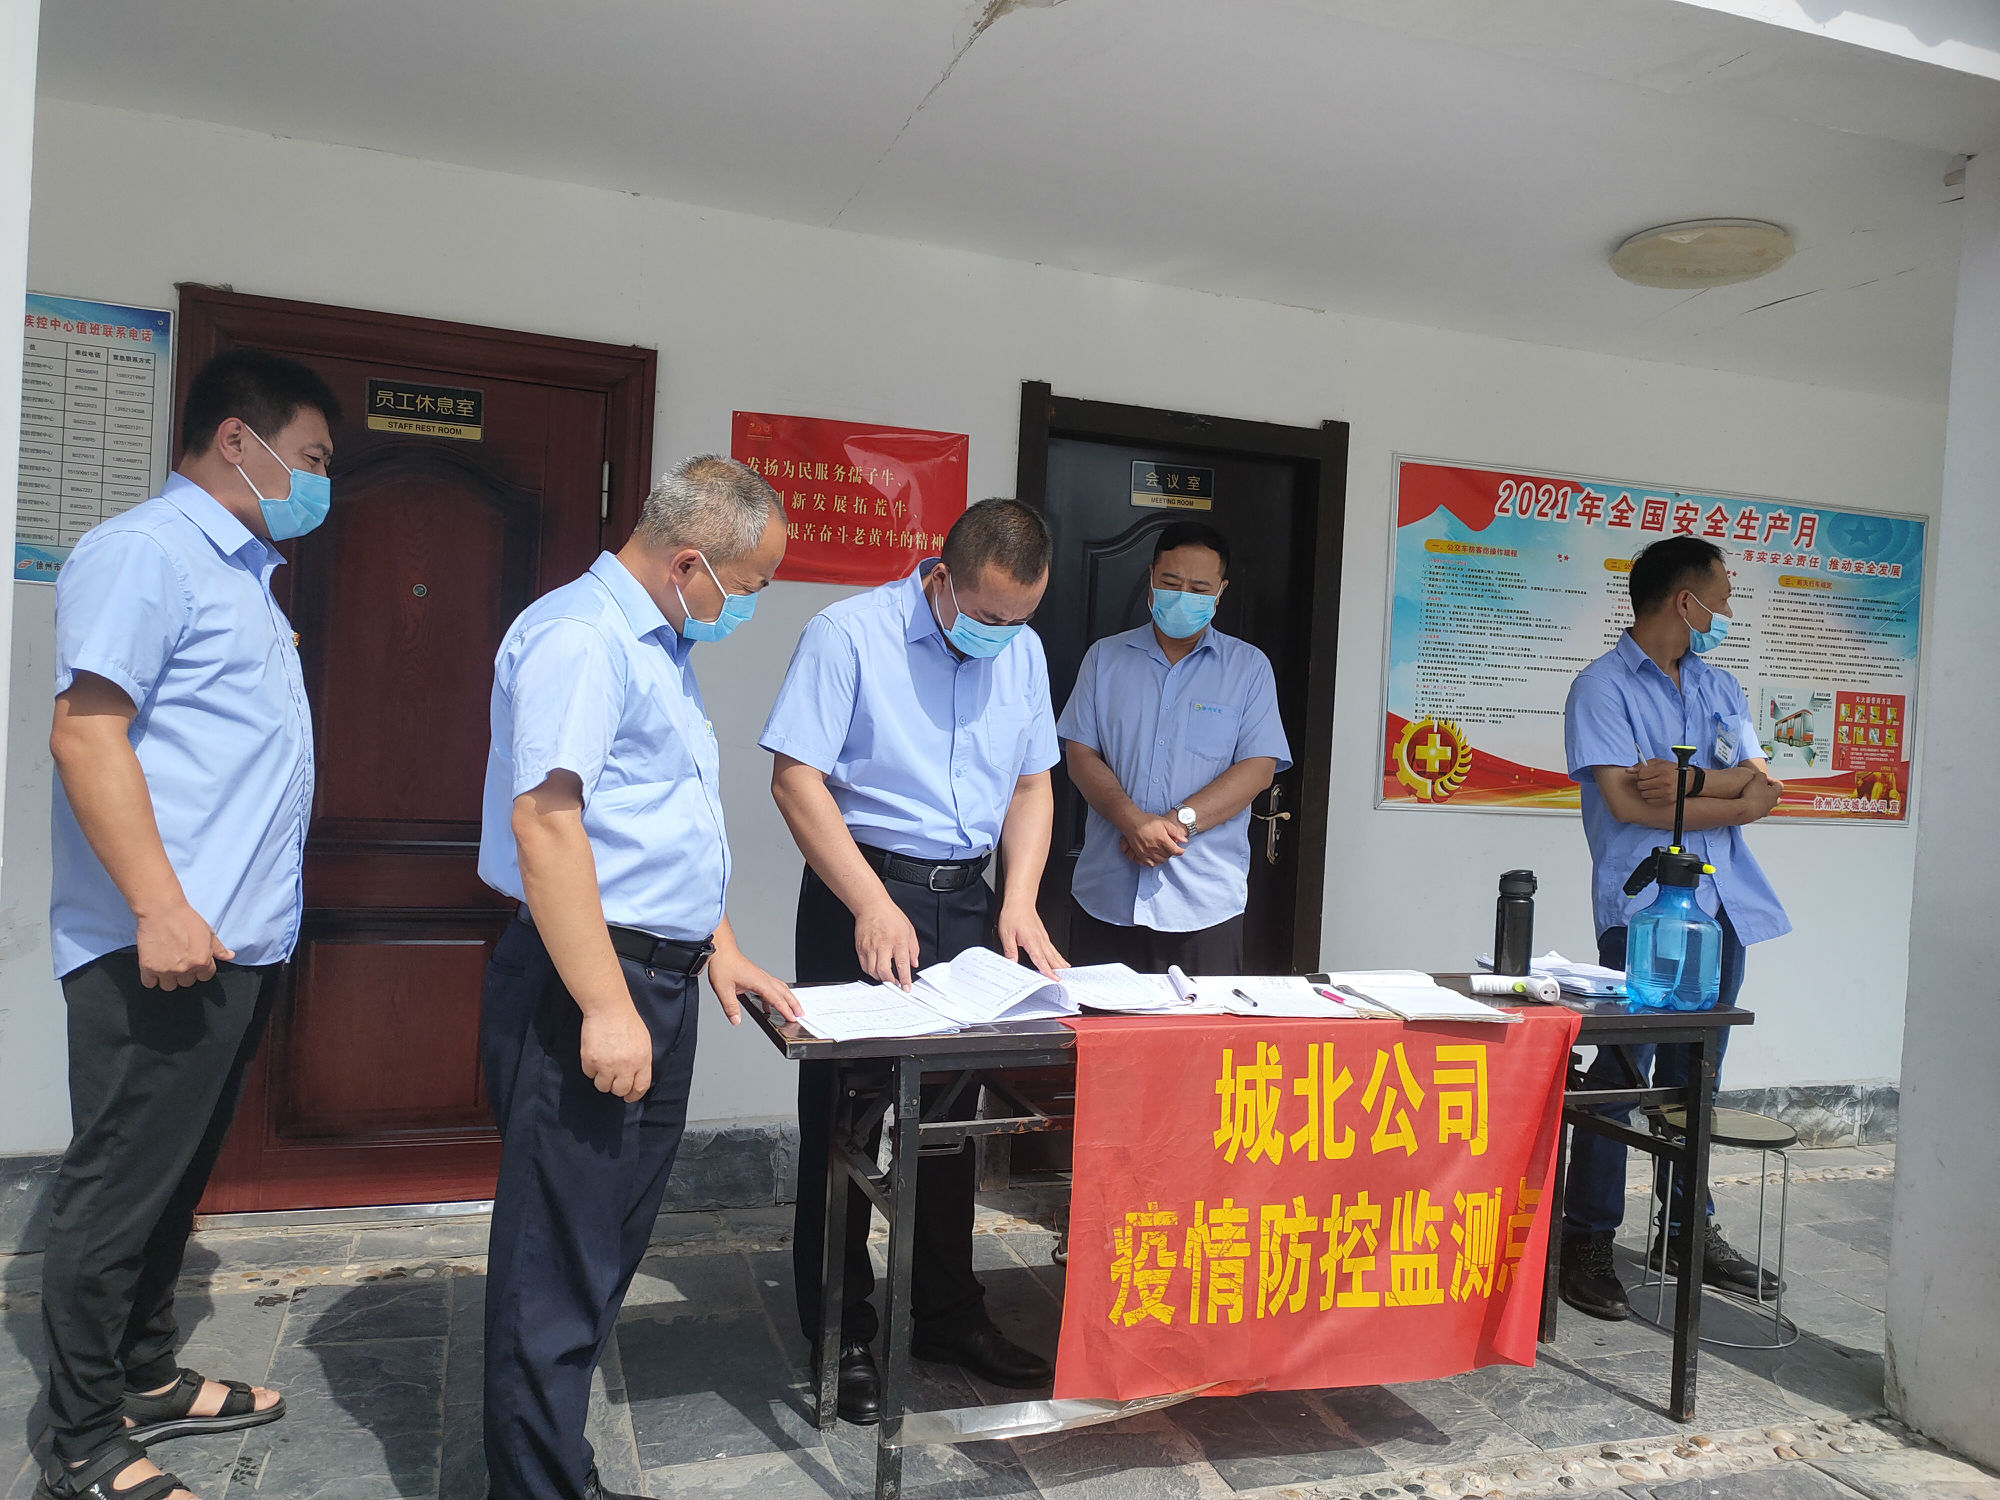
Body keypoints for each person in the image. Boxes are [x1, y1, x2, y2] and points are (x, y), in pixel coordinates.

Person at [37, 350, 339, 1500]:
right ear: (235, 441)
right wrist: (160, 907)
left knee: (171, 1185)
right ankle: (79, 1442)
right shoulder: (147, 552)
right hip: (155, 948)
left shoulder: (242, 574)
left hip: (230, 945)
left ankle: (145, 1376)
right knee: (117, 1192)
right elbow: (87, 734)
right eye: (310, 458)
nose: (318, 484)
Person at [476, 455, 800, 1500]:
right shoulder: (582, 639)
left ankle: (556, 1466)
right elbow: (547, 822)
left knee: (603, 1241)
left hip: (654, 977)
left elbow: (656, 820)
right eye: (748, 586)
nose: (749, 605)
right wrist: (606, 1006)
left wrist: (718, 940)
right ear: (689, 564)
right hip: (590, 981)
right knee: (556, 1257)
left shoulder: (658, 643)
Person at [762, 498, 1066, 1423]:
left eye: (1020, 619)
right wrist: (869, 901)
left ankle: (945, 1312)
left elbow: (1033, 784)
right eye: (987, 615)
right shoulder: (848, 635)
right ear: (940, 578)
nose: (1001, 634)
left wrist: (1018, 898)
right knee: (845, 1119)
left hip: (969, 897)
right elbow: (796, 778)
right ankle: (841, 1330)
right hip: (862, 887)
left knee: (950, 1120)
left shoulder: (1022, 650)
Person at [1558, 535, 1790, 1322]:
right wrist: (1733, 795)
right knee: (1621, 1080)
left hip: (1723, 909)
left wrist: (1689, 781)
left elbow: (1767, 788)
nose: (1727, 611)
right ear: (1683, 601)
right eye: (1721, 597)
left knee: (1699, 1082)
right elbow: (1628, 804)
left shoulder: (1721, 684)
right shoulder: (1601, 688)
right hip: (1645, 911)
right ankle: (1586, 1238)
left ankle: (1687, 1232)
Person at [1056, 521, 1291, 973]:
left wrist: (1172, 825)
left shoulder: (1249, 669)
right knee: (1102, 1021)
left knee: (1202, 1022)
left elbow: (1259, 767)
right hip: (1106, 898)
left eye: (1199, 588)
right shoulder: (1104, 659)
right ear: (1151, 578)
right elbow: (1081, 756)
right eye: (1171, 582)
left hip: (1204, 905)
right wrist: (1132, 821)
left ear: (1220, 592)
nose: (1183, 596)